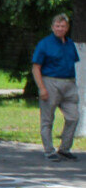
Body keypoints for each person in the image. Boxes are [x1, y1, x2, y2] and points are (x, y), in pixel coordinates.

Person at [32, 13, 80, 162]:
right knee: (47, 119)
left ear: (67, 28)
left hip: (69, 83)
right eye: (57, 26)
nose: (60, 28)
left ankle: (65, 149)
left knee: (73, 117)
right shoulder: (45, 44)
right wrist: (42, 88)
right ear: (52, 27)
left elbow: (73, 62)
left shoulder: (70, 44)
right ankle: (49, 150)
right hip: (50, 82)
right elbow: (36, 67)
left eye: (63, 26)